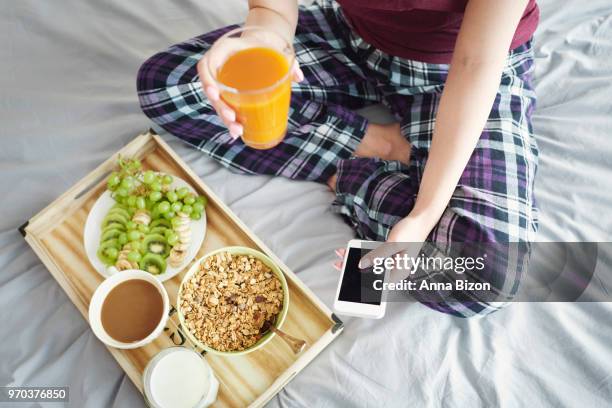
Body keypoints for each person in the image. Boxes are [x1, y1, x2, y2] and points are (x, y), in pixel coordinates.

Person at [137, 0, 539, 317]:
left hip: (462, 69)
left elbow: (476, 63)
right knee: (167, 86)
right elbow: (272, 9)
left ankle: (347, 171)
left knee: (484, 277)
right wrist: (264, 37)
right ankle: (379, 145)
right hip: (354, 39)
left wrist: (423, 214)